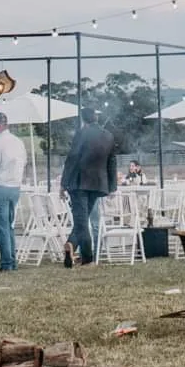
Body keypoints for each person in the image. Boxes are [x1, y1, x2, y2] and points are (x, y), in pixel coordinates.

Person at [60, 108, 118, 266]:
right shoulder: (108, 136)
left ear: (83, 119)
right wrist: (113, 186)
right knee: (82, 220)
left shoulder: (81, 133)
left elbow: (72, 158)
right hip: (98, 183)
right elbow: (112, 162)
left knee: (81, 221)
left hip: (79, 183)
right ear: (96, 117)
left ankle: (87, 258)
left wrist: (63, 183)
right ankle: (72, 244)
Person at [0, 113, 28, 272]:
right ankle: (11, 261)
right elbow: (24, 162)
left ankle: (7, 263)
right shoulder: (18, 142)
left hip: (0, 187)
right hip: (14, 187)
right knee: (8, 226)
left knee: (1, 227)